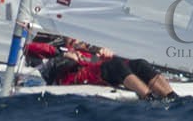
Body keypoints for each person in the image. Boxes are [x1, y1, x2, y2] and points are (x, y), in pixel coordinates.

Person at [25, 36, 178, 100]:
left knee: (139, 63)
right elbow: (30, 48)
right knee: (114, 64)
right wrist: (61, 53)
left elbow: (121, 64)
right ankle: (150, 99)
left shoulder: (92, 50)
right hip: (73, 80)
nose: (75, 39)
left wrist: (107, 55)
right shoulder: (58, 49)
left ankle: (172, 98)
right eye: (70, 36)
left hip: (99, 74)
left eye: (78, 37)